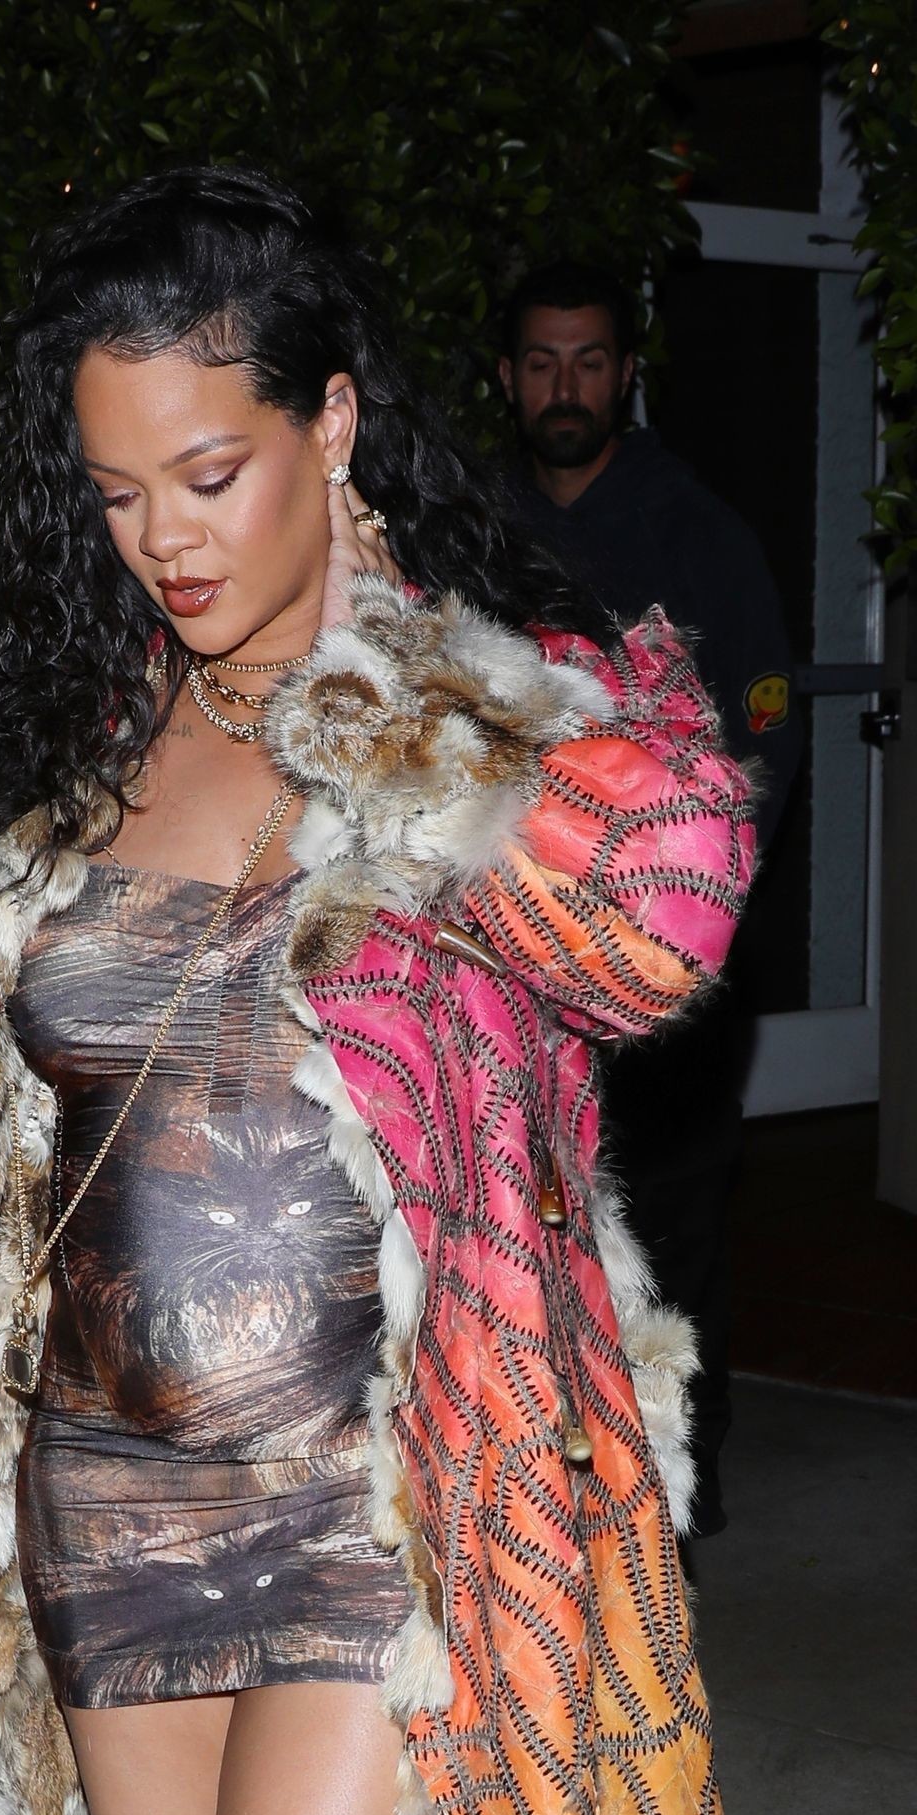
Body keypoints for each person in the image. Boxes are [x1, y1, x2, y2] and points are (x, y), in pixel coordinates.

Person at [0, 168, 756, 1815]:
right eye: (115, 493)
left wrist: (400, 687)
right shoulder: (89, 738)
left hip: (377, 1504)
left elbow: (662, 924)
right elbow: (0, 1174)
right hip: (105, 1497)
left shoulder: (469, 714)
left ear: (330, 424)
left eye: (207, 476)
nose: (163, 540)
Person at [498, 260, 804, 1535]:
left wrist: (680, 931)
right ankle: (545, 1499)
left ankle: (677, 1499)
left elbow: (763, 743)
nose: (563, 386)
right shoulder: (476, 533)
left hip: (664, 976)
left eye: (587, 361)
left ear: (625, 375)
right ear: (508, 377)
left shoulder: (701, 540)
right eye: (540, 362)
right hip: (511, 970)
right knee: (522, 1240)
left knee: (670, 1233)